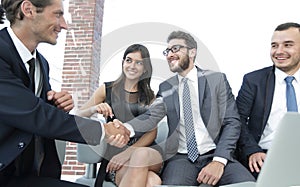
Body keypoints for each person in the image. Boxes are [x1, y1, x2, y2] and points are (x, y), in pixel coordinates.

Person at [0, 0, 131, 186]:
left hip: (28, 175)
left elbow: (30, 113)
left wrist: (55, 107)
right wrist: (103, 130)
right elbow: (33, 114)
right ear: (28, 10)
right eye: (57, 14)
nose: (64, 25)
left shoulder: (41, 64)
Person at [117, 30, 255, 186]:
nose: (169, 55)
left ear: (192, 52)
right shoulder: (166, 87)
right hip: (181, 158)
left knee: (248, 184)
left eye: (175, 49)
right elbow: (151, 116)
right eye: (167, 51)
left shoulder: (216, 80)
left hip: (216, 154)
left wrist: (219, 161)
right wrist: (126, 128)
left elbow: (232, 122)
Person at [76, 44, 163, 187]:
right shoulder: (107, 89)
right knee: (152, 182)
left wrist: (127, 153)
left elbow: (151, 133)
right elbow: (79, 114)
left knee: (140, 155)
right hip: (116, 155)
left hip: (147, 152)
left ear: (145, 68)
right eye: (129, 60)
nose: (132, 66)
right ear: (123, 62)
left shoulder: (150, 97)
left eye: (139, 62)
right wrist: (94, 109)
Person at [236, 22, 300, 179]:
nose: (279, 51)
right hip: (266, 156)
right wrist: (252, 150)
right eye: (274, 45)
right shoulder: (253, 81)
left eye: (288, 45)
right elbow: (237, 120)